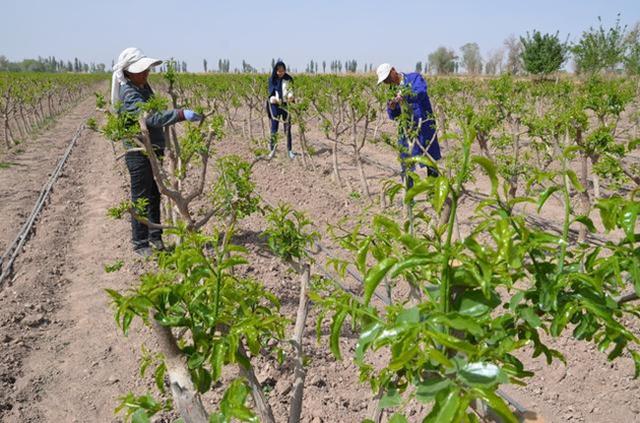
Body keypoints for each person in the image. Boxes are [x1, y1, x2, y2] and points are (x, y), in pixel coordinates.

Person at [111, 47, 202, 257]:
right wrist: (180, 114)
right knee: (141, 196)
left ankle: (155, 236)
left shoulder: (142, 86)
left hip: (152, 149)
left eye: (146, 70)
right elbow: (151, 117)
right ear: (127, 73)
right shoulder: (130, 92)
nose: (146, 73)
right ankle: (140, 243)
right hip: (139, 152)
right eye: (140, 70)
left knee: (154, 193)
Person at [376, 63, 441, 187]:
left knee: (430, 159)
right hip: (406, 129)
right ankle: (409, 196)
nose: (388, 82)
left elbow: (421, 92)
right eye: (385, 81)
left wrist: (405, 96)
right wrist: (392, 107)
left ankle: (434, 194)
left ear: (393, 70)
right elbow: (393, 115)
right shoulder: (392, 91)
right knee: (405, 161)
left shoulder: (414, 78)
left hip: (424, 126)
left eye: (388, 78)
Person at [266, 61, 295, 159]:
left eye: (282, 71)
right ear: (275, 71)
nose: (281, 73)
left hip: (286, 105)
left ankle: (289, 150)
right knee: (274, 128)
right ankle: (272, 150)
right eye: (279, 71)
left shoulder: (289, 79)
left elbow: (291, 90)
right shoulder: (272, 79)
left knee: (287, 128)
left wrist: (291, 97)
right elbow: (270, 93)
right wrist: (273, 99)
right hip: (275, 105)